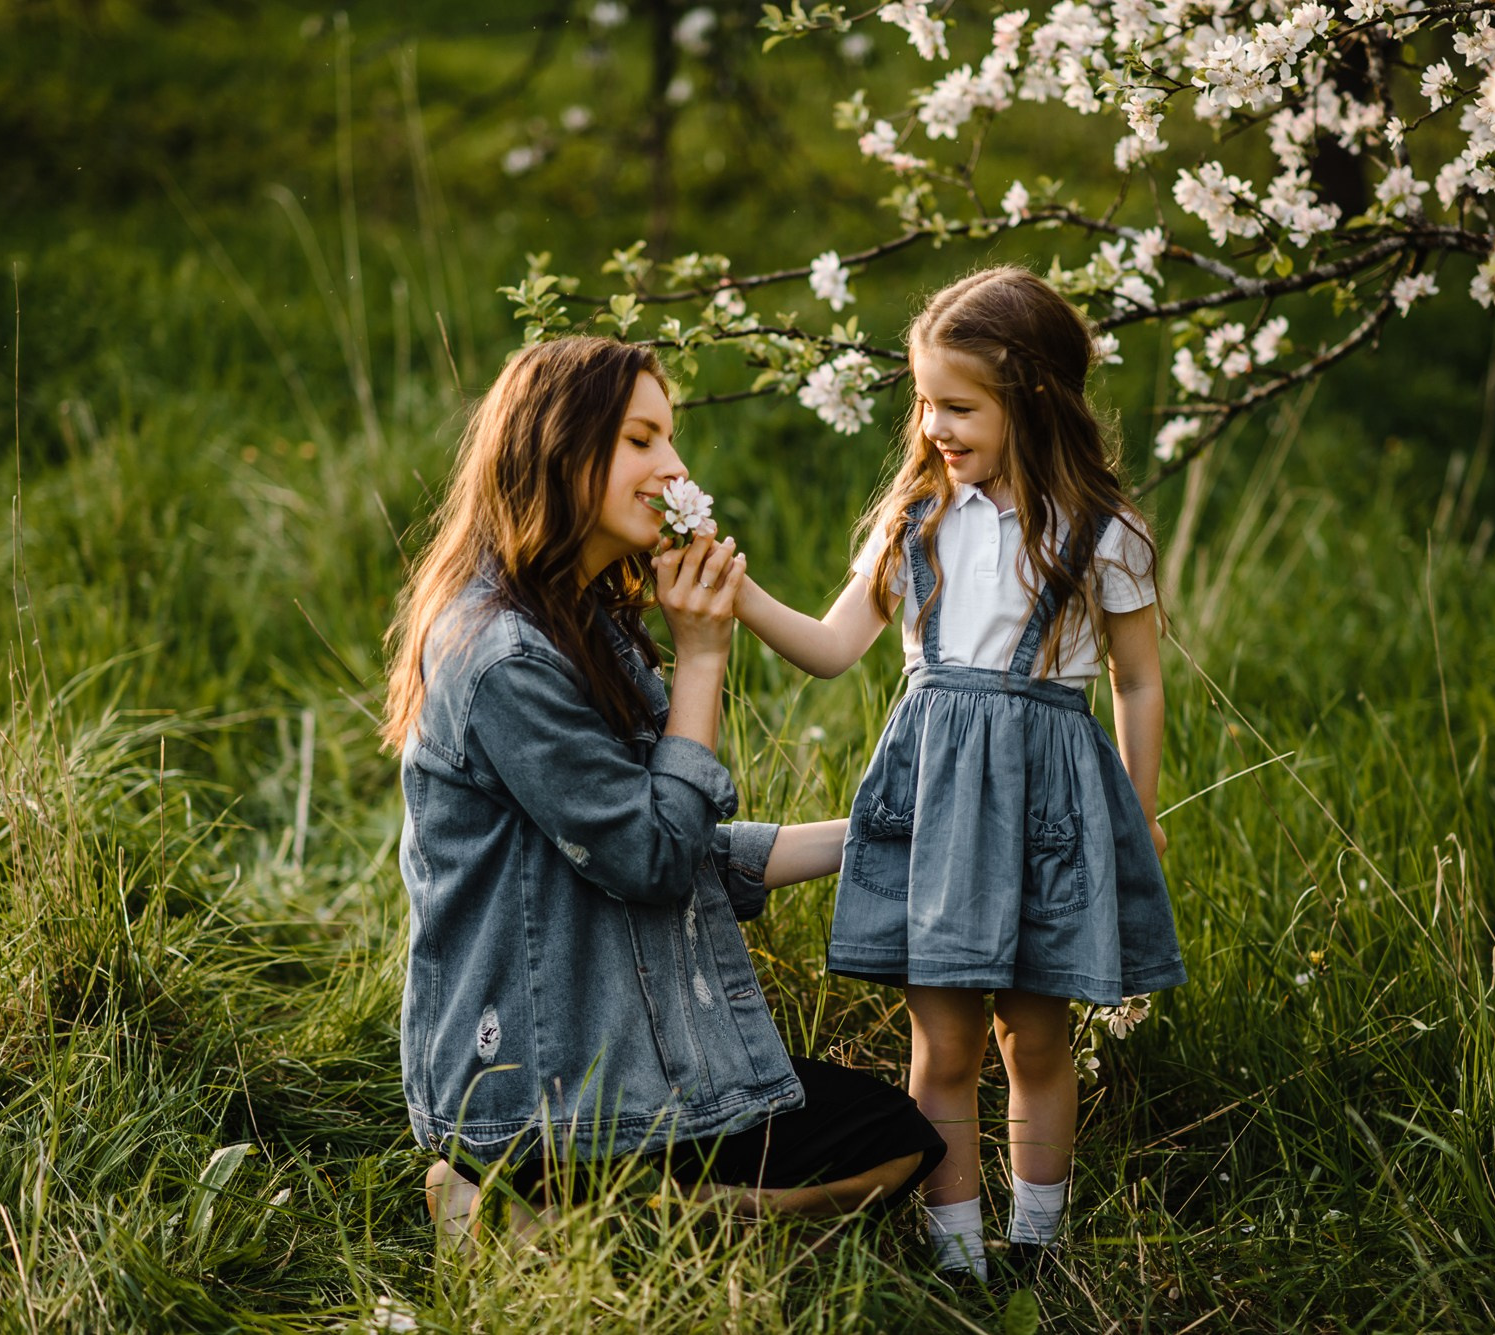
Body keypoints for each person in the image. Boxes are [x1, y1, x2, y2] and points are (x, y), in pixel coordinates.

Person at [378, 336, 945, 1250]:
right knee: (885, 1149)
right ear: (563, 452)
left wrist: (878, 835)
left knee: (891, 1138)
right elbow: (651, 856)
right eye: (642, 439)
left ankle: (585, 1211)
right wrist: (704, 657)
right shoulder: (506, 658)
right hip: (541, 1085)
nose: (675, 466)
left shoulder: (577, 619)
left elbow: (677, 841)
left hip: (612, 1053)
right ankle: (563, 1206)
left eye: (670, 438)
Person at [734, 267, 1188, 1280]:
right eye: (925, 402)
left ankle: (1035, 1249)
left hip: (1048, 806)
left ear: (1033, 398)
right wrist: (741, 594)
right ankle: (956, 1260)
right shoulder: (916, 520)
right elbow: (831, 648)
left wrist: (1139, 809)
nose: (934, 425)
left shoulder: (1103, 532)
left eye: (959, 405)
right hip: (935, 804)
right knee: (942, 1048)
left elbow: (1138, 679)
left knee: (1034, 1040)